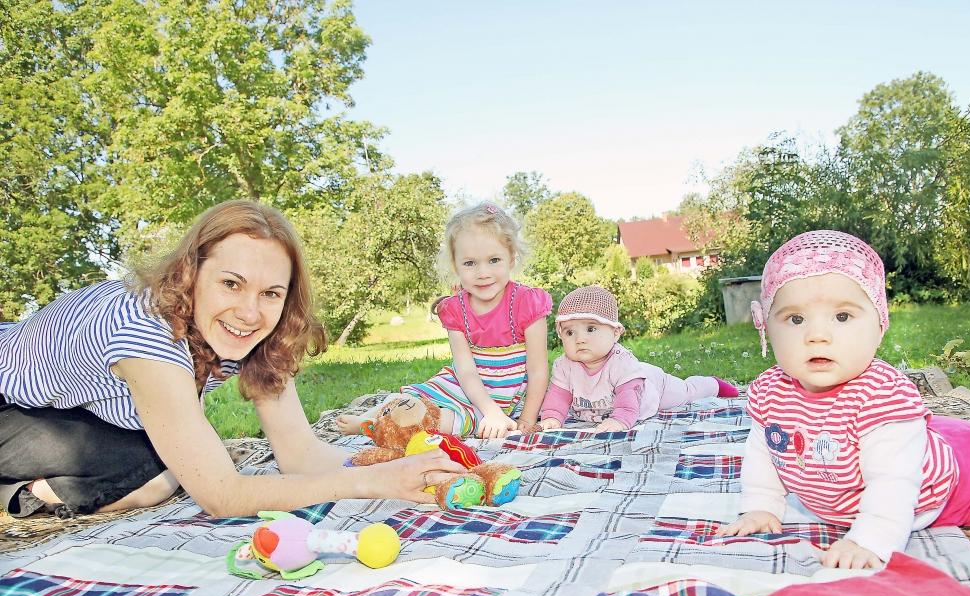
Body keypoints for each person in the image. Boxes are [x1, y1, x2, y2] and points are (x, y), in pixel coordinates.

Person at [0, 200, 466, 519]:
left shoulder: (261, 331)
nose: (249, 312)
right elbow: (221, 496)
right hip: (8, 402)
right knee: (161, 475)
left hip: (69, 408)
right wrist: (372, 484)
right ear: (191, 272)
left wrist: (395, 463)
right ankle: (17, 495)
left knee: (165, 467)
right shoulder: (147, 333)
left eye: (270, 293)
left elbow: (300, 453)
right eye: (231, 283)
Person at [715, 230, 970, 569]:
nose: (817, 335)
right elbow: (763, 453)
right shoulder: (770, 391)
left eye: (843, 317)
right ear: (767, 329)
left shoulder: (882, 395)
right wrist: (761, 504)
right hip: (905, 443)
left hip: (953, 489)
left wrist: (869, 539)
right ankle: (969, 439)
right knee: (944, 438)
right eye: (796, 319)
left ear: (879, 325)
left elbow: (893, 482)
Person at [339, 202, 551, 440]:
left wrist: (526, 419)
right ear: (455, 265)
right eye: (470, 263)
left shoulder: (527, 303)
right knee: (407, 399)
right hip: (459, 382)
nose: (483, 272)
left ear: (511, 258)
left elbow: (537, 370)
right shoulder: (455, 309)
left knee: (445, 421)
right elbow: (466, 371)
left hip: (497, 396)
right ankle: (371, 421)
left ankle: (390, 428)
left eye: (494, 260)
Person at [537, 285, 739, 433]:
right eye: (570, 332)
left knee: (685, 392)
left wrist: (620, 420)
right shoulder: (564, 365)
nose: (580, 339)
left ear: (615, 333)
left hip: (651, 387)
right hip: (598, 410)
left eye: (591, 329)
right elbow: (558, 395)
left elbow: (628, 396)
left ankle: (712, 384)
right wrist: (552, 417)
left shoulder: (621, 362)